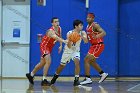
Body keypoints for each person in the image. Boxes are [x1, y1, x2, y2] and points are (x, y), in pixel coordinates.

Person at [26, 17, 68, 86]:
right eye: (55, 22)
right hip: (44, 46)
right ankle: (44, 80)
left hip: (50, 47)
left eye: (58, 21)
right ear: (52, 23)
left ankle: (31, 74)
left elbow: (60, 36)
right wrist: (64, 41)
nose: (57, 23)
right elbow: (56, 37)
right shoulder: (50, 31)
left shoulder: (59, 28)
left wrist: (60, 45)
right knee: (48, 61)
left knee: (42, 63)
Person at [50, 19, 88, 86]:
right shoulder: (69, 33)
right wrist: (71, 39)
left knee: (77, 62)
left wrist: (81, 37)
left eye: (82, 25)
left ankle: (76, 80)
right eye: (80, 25)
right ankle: (54, 77)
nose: (82, 26)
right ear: (76, 26)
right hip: (67, 51)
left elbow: (86, 41)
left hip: (76, 51)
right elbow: (69, 46)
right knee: (61, 66)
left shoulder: (83, 32)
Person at [80, 13, 108, 85]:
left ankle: (88, 78)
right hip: (93, 46)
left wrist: (97, 36)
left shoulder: (95, 25)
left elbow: (104, 33)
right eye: (87, 17)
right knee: (91, 61)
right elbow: (87, 40)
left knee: (86, 59)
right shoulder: (87, 27)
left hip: (98, 45)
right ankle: (103, 74)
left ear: (93, 18)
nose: (87, 18)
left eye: (89, 17)